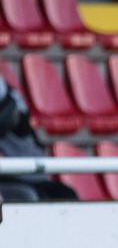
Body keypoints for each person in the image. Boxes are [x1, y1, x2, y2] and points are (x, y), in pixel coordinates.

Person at [0, 74, 78, 202]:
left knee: (65, 194)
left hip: (29, 176)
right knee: (26, 196)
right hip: (8, 179)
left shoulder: (11, 108)